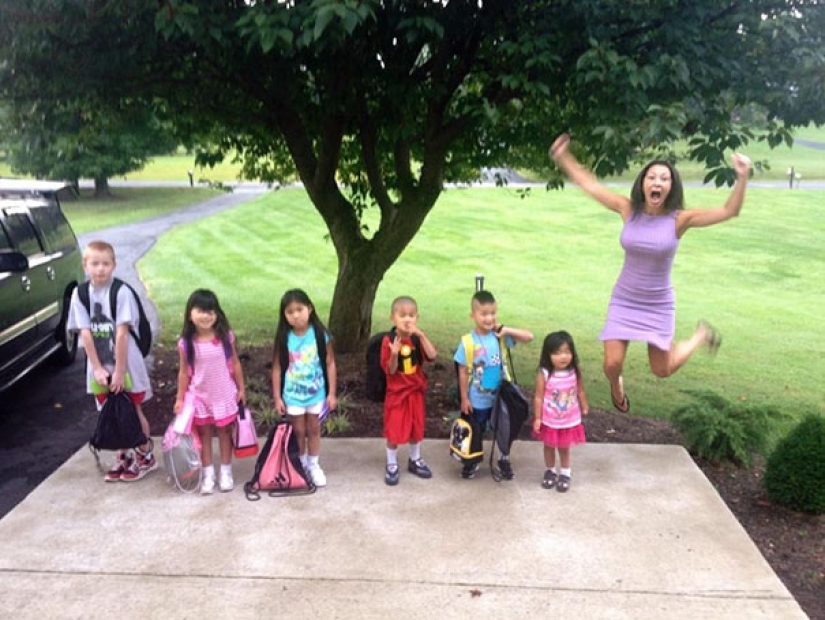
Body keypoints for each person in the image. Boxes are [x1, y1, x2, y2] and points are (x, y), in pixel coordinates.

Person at [549, 133, 752, 412]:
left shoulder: (681, 219)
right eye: (652, 177)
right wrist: (563, 157)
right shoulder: (627, 209)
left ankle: (699, 335)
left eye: (664, 178)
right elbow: (591, 185)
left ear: (672, 186)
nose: (657, 182)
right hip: (625, 298)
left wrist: (742, 176)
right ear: (642, 183)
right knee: (611, 364)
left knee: (662, 369)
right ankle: (616, 385)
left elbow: (730, 210)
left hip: (657, 303)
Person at [68, 240, 156, 482]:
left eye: (105, 264)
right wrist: (97, 368)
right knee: (111, 410)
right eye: (94, 264)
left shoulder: (121, 292)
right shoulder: (81, 294)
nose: (100, 269)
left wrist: (118, 372)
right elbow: (84, 332)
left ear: (114, 265)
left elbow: (122, 333)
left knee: (132, 407)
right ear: (85, 266)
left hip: (126, 363)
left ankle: (144, 455)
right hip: (99, 366)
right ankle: (123, 456)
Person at [454, 290, 533, 480]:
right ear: (473, 315)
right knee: (477, 429)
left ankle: (504, 458)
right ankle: (472, 460)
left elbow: (529, 337)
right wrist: (464, 398)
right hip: (477, 396)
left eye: (493, 313)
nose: (489, 318)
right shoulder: (467, 342)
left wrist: (507, 330)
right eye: (484, 314)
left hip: (500, 396)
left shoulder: (499, 336)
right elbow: (462, 370)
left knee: (503, 428)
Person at [173, 289, 246, 495]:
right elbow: (184, 373)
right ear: (190, 314)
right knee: (204, 434)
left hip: (224, 394)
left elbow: (235, 364)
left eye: (211, 311)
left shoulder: (225, 338)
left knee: (224, 433)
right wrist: (180, 398)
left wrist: (241, 388)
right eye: (201, 311)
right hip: (201, 397)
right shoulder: (186, 344)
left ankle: (225, 471)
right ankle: (208, 473)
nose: (206, 316)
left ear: (217, 314)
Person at [271, 289, 337, 488]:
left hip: (316, 394)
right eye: (290, 311)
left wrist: (332, 393)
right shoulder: (284, 338)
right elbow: (276, 368)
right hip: (292, 395)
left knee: (314, 429)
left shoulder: (320, 335)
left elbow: (331, 363)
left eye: (299, 309)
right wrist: (277, 397)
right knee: (298, 430)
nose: (295, 315)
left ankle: (313, 464)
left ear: (309, 308)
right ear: (284, 315)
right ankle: (298, 464)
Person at [381, 296, 438, 486]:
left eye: (411, 315)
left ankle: (415, 459)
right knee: (394, 428)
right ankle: (391, 463)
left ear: (417, 318)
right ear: (393, 318)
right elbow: (390, 370)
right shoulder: (388, 341)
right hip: (397, 393)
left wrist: (421, 336)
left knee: (416, 425)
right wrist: (394, 354)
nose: (407, 319)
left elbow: (432, 355)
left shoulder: (416, 339)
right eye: (402, 315)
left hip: (415, 391)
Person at [532, 331, 589, 493]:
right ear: (548, 355)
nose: (563, 357)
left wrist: (584, 406)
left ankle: (565, 473)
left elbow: (581, 391)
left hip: (568, 420)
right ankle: (550, 470)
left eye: (567, 352)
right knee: (549, 445)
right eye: (557, 353)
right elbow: (538, 397)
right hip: (550, 419)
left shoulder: (574, 371)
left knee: (564, 447)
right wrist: (537, 418)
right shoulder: (544, 373)